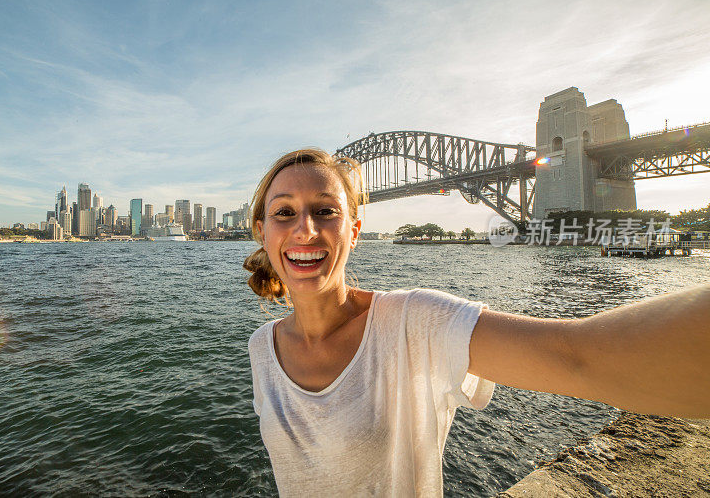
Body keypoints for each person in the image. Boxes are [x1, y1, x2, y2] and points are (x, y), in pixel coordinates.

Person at [243, 148, 710, 497]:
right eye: (284, 212)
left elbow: (577, 357)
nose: (305, 228)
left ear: (355, 230)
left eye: (325, 210)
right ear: (264, 233)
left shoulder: (414, 323)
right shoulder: (262, 347)